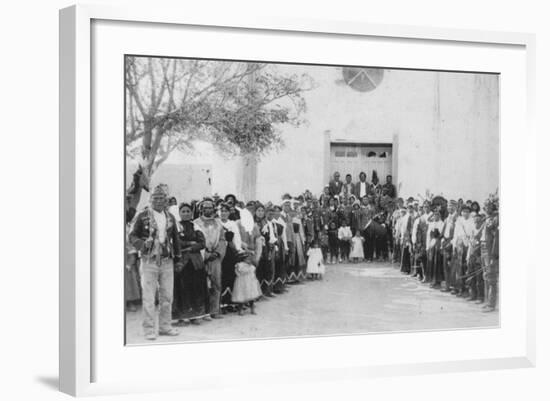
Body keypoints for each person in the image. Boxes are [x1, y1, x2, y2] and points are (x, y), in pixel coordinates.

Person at [129, 185, 181, 340]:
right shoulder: (142, 215)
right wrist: (142, 245)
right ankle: (149, 329)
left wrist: (178, 259)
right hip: (148, 261)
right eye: (155, 198)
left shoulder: (170, 217)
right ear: (150, 199)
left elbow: (176, 239)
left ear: (166, 200)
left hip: (166, 260)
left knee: (167, 296)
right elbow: (131, 236)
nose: (159, 200)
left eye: (162, 198)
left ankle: (165, 327)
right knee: (149, 297)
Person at [172, 203, 208, 325]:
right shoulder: (175, 226)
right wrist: (190, 243)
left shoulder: (196, 227)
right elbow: (176, 242)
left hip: (195, 262)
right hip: (182, 262)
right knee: (182, 289)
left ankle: (196, 316)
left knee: (196, 289)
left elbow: (202, 243)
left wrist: (191, 247)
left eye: (188, 211)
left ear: (191, 213)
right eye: (183, 211)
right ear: (179, 213)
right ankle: (182, 316)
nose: (186, 213)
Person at [194, 198, 227, 319]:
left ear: (213, 209)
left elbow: (223, 240)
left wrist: (218, 253)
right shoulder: (196, 223)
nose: (208, 210)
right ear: (201, 209)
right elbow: (196, 240)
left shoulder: (218, 223)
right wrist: (206, 254)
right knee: (202, 283)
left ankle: (214, 310)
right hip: (203, 255)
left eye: (210, 207)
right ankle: (203, 311)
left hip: (216, 257)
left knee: (216, 283)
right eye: (205, 207)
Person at [219, 203, 245, 308]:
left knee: (230, 274)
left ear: (229, 213)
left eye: (226, 211)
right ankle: (222, 302)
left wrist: (238, 249)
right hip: (220, 251)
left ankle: (231, 301)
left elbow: (237, 238)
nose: (223, 213)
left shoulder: (232, 224)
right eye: (222, 211)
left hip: (230, 251)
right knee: (221, 275)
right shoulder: (217, 222)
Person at [481, 196, 499, 312]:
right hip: (483, 249)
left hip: (490, 251)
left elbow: (496, 238)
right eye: (486, 205)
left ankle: (491, 304)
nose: (486, 207)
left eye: (489, 205)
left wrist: (494, 255)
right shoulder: (487, 218)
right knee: (486, 276)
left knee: (491, 277)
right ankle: (487, 301)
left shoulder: (496, 219)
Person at [452, 205, 473, 297]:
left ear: (469, 212)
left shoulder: (472, 221)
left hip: (468, 244)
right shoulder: (459, 221)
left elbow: (472, 234)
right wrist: (454, 246)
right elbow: (455, 234)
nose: (465, 213)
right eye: (463, 211)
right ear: (461, 212)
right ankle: (458, 287)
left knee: (466, 267)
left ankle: (465, 289)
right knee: (458, 267)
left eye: (467, 211)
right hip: (459, 244)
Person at [440, 200, 458, 292]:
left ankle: (454, 286)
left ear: (455, 207)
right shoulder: (447, 218)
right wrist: (443, 238)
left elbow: (457, 232)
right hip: (445, 242)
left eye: (451, 206)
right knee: (445, 265)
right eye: (448, 206)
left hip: (452, 242)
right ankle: (447, 285)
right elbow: (444, 231)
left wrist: (452, 242)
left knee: (453, 265)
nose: (449, 208)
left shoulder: (457, 218)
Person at [426, 210, 445, 288]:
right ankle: (432, 280)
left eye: (437, 215)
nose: (436, 216)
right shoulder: (431, 224)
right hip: (432, 244)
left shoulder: (442, 223)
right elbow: (428, 236)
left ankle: (438, 281)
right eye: (434, 215)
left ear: (439, 216)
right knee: (431, 262)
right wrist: (427, 246)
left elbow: (442, 235)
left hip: (438, 244)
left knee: (437, 262)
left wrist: (441, 246)